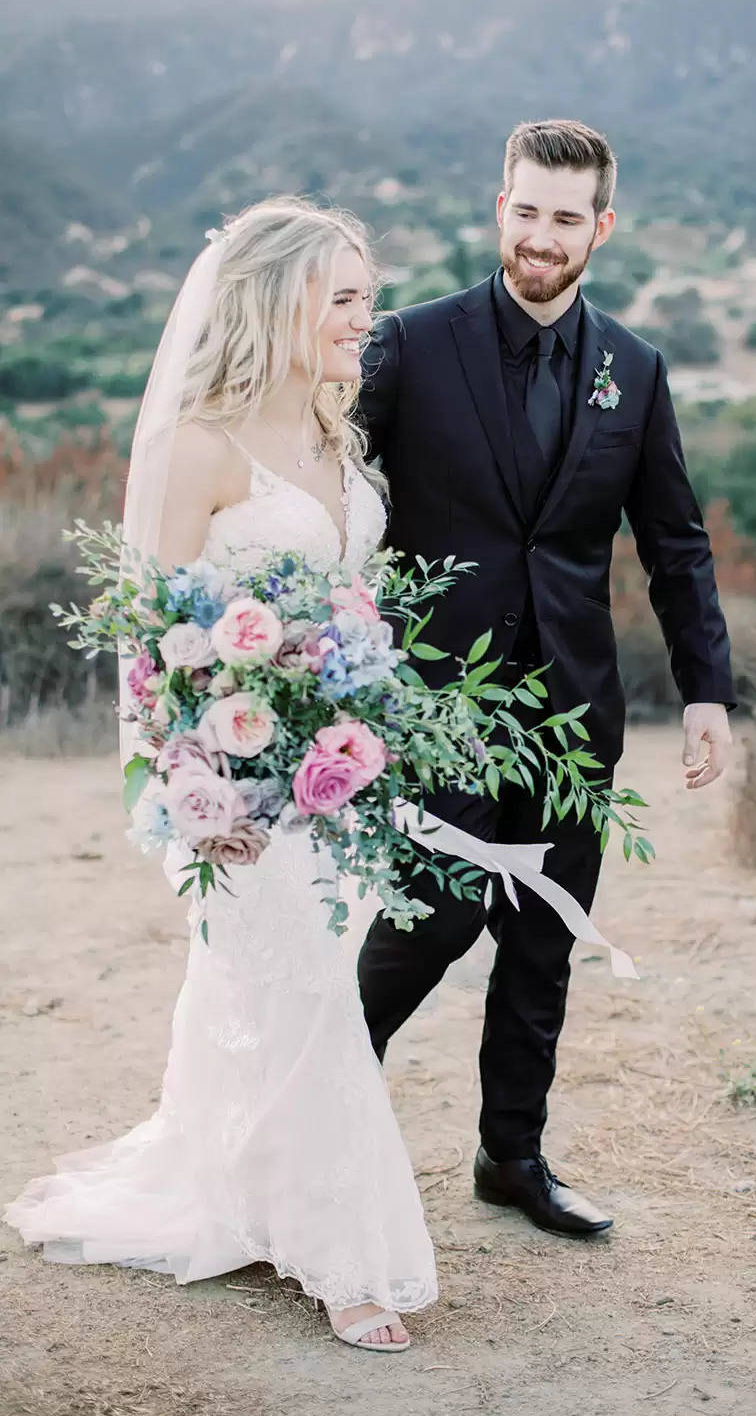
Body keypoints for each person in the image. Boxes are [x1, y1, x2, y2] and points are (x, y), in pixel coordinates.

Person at [4, 198, 436, 1353]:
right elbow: (143, 640)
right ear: (274, 302)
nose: (364, 316)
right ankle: (348, 1262)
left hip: (339, 778)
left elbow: (354, 604)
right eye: (340, 296)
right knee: (303, 996)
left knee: (271, 997)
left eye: (365, 291)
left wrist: (375, 719)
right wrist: (194, 793)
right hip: (237, 786)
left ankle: (236, 1185)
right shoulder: (196, 442)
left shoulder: (336, 438)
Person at [358, 119, 736, 1238]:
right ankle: (313, 1107)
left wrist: (705, 689)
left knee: (543, 933)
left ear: (599, 229)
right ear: (499, 208)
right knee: (433, 915)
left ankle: (510, 1158)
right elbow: (336, 505)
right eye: (523, 210)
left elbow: (676, 541)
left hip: (573, 711)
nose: (539, 235)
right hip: (435, 708)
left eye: (564, 218)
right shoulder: (409, 346)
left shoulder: (637, 368)